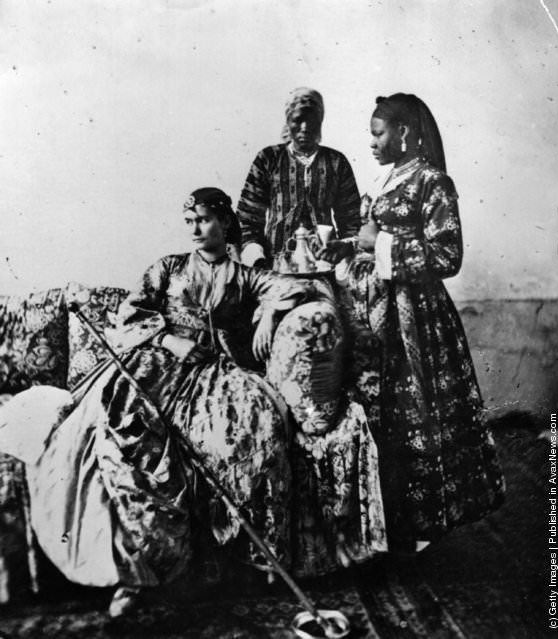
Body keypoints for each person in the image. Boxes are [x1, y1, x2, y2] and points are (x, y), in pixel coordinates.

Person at [24, 188, 315, 617]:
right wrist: (169, 338)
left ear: (226, 223)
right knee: (125, 434)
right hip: (156, 363)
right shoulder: (168, 267)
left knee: (251, 431)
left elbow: (297, 286)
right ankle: (141, 569)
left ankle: (231, 562)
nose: (196, 229)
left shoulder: (246, 276)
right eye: (190, 221)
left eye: (204, 220)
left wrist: (270, 312)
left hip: (212, 373)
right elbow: (132, 313)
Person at [339, 93, 505, 552]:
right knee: (374, 412)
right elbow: (369, 240)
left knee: (412, 416)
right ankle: (380, 523)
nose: (371, 143)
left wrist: (381, 244)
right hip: (371, 314)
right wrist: (353, 247)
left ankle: (417, 527)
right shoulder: (387, 179)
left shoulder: (434, 183)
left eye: (379, 133)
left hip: (415, 320)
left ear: (405, 133)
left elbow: (447, 255)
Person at [236, 87, 361, 270]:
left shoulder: (336, 162)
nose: (305, 128)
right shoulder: (268, 158)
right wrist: (257, 259)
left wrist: (342, 253)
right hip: (274, 266)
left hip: (325, 266)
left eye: (312, 121)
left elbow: (352, 221)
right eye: (298, 120)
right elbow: (247, 219)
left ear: (320, 122)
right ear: (287, 121)